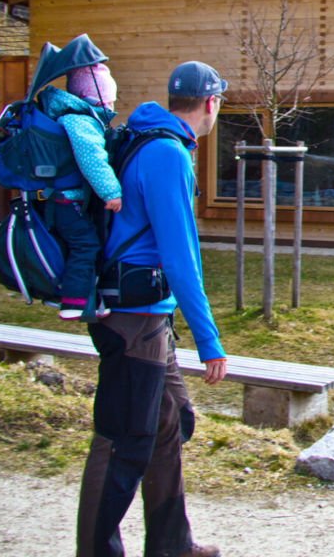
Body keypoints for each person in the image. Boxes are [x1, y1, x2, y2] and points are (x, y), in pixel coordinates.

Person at [76, 61, 229, 557]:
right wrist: (209, 341)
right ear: (211, 104)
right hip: (135, 318)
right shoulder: (166, 153)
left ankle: (171, 545)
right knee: (123, 439)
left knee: (170, 423)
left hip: (146, 313)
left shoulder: (152, 138)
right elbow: (181, 258)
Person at [45, 62, 123, 321]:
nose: (111, 107)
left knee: (84, 245)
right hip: (69, 203)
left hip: (64, 201)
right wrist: (111, 192)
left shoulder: (73, 118)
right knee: (85, 246)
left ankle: (92, 299)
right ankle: (73, 303)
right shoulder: (81, 122)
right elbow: (92, 159)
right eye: (109, 101)